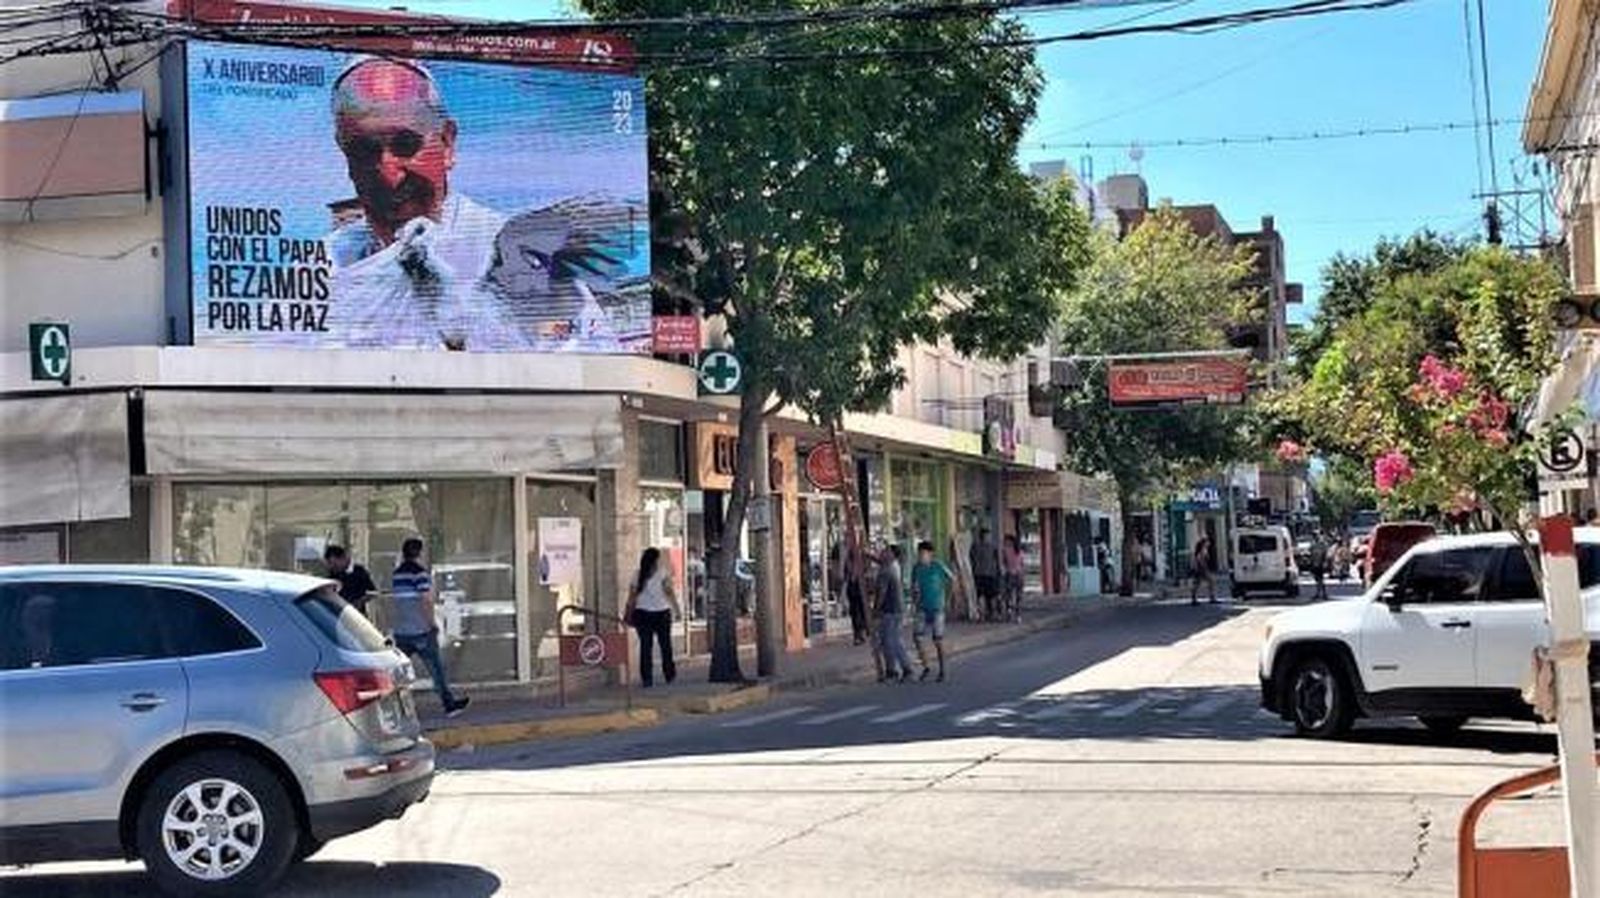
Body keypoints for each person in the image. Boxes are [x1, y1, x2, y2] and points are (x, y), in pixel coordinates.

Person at [325, 58, 629, 351]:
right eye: (363, 152)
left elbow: (593, 371)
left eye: (406, 145)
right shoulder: (322, 266)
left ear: (447, 143)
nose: (389, 176)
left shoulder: (517, 253)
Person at [390, 537, 469, 716]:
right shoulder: (420, 574)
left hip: (402, 630)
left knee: (399, 672)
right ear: (420, 553)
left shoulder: (397, 574)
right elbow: (425, 601)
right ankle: (449, 704)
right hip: (421, 630)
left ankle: (395, 708)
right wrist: (432, 624)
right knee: (436, 669)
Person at [624, 547, 680, 688]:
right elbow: (669, 592)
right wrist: (677, 609)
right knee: (665, 646)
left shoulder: (637, 575)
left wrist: (628, 612)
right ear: (655, 560)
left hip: (642, 613)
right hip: (662, 613)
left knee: (645, 647)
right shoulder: (662, 574)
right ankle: (669, 674)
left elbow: (632, 597)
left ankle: (647, 678)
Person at [910, 540, 954, 682]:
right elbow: (914, 586)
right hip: (922, 607)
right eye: (919, 553)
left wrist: (948, 599)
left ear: (930, 554)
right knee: (917, 637)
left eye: (923, 553)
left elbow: (952, 579)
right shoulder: (916, 568)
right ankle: (926, 665)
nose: (921, 556)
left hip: (937, 607)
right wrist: (914, 601)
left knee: (938, 640)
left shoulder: (938, 566)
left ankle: (942, 670)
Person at [875, 545, 913, 683]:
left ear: (892, 555)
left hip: (891, 610)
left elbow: (882, 593)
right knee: (887, 641)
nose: (883, 552)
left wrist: (876, 609)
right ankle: (892, 670)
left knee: (892, 641)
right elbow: (879, 560)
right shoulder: (893, 566)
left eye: (887, 551)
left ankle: (905, 669)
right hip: (893, 609)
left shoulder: (887, 570)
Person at [323, 544, 378, 616]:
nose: (333, 568)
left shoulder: (359, 571)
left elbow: (373, 592)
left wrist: (360, 601)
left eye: (335, 564)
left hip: (358, 615)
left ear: (343, 558)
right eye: (330, 565)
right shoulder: (333, 575)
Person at [969, 528, 1002, 622]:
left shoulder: (992, 547)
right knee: (980, 596)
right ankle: (982, 614)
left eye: (988, 536)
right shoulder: (976, 547)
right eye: (986, 536)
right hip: (980, 574)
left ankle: (991, 613)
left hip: (990, 574)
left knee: (991, 596)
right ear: (981, 537)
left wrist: (998, 571)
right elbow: (972, 559)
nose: (987, 538)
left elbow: (997, 560)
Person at [842, 536, 869, 645]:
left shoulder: (859, 556)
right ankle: (858, 634)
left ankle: (861, 633)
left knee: (860, 610)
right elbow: (846, 572)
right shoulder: (849, 556)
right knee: (855, 611)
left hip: (858, 585)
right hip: (853, 586)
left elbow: (863, 569)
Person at [1002, 534, 1025, 623]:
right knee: (1018, 597)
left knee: (1008, 595)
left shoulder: (1006, 551)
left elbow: (1004, 563)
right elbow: (1022, 565)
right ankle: (1018, 615)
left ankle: (1009, 611)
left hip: (1009, 574)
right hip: (1019, 575)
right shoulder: (1020, 551)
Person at [1190, 534, 1217, 605]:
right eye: (1208, 542)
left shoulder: (1204, 550)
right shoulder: (1202, 550)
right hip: (1201, 569)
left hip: (1201, 569)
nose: (1209, 543)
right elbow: (1199, 559)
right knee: (1211, 581)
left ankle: (1194, 598)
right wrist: (1203, 567)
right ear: (1204, 543)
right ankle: (1212, 597)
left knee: (1197, 584)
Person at [1307, 533, 1330, 601]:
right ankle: (1320, 593)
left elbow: (1325, 554)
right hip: (1315, 564)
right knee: (1318, 580)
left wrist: (1324, 562)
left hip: (1319, 564)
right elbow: (1310, 553)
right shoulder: (1313, 545)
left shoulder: (1321, 545)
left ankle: (1323, 594)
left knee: (1320, 580)